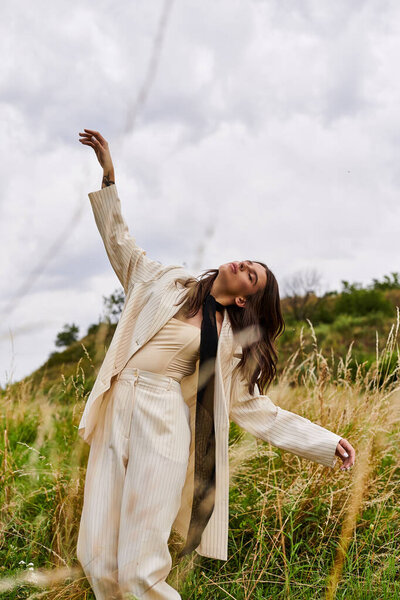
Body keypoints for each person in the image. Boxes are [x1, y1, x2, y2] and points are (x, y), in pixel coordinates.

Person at [76, 129, 355, 600]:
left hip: (163, 423)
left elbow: (256, 409)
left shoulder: (230, 341)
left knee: (140, 569)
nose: (244, 264)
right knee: (98, 559)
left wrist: (325, 444)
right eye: (248, 261)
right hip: (116, 405)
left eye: (252, 274)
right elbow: (121, 243)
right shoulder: (165, 281)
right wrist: (108, 178)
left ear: (246, 296)